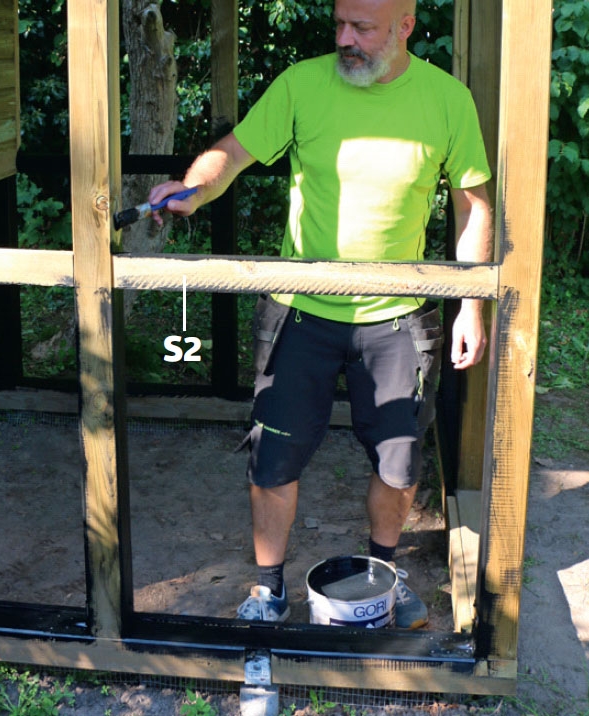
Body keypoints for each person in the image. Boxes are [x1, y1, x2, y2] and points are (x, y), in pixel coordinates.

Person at [149, 0, 492, 629]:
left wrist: (471, 303)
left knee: (399, 465)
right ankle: (268, 590)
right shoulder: (301, 84)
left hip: (398, 316)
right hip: (299, 309)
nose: (345, 39)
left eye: (363, 27)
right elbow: (233, 152)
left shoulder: (447, 100)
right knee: (272, 458)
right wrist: (194, 188)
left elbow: (473, 205)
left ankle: (381, 575)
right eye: (340, 24)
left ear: (405, 27)